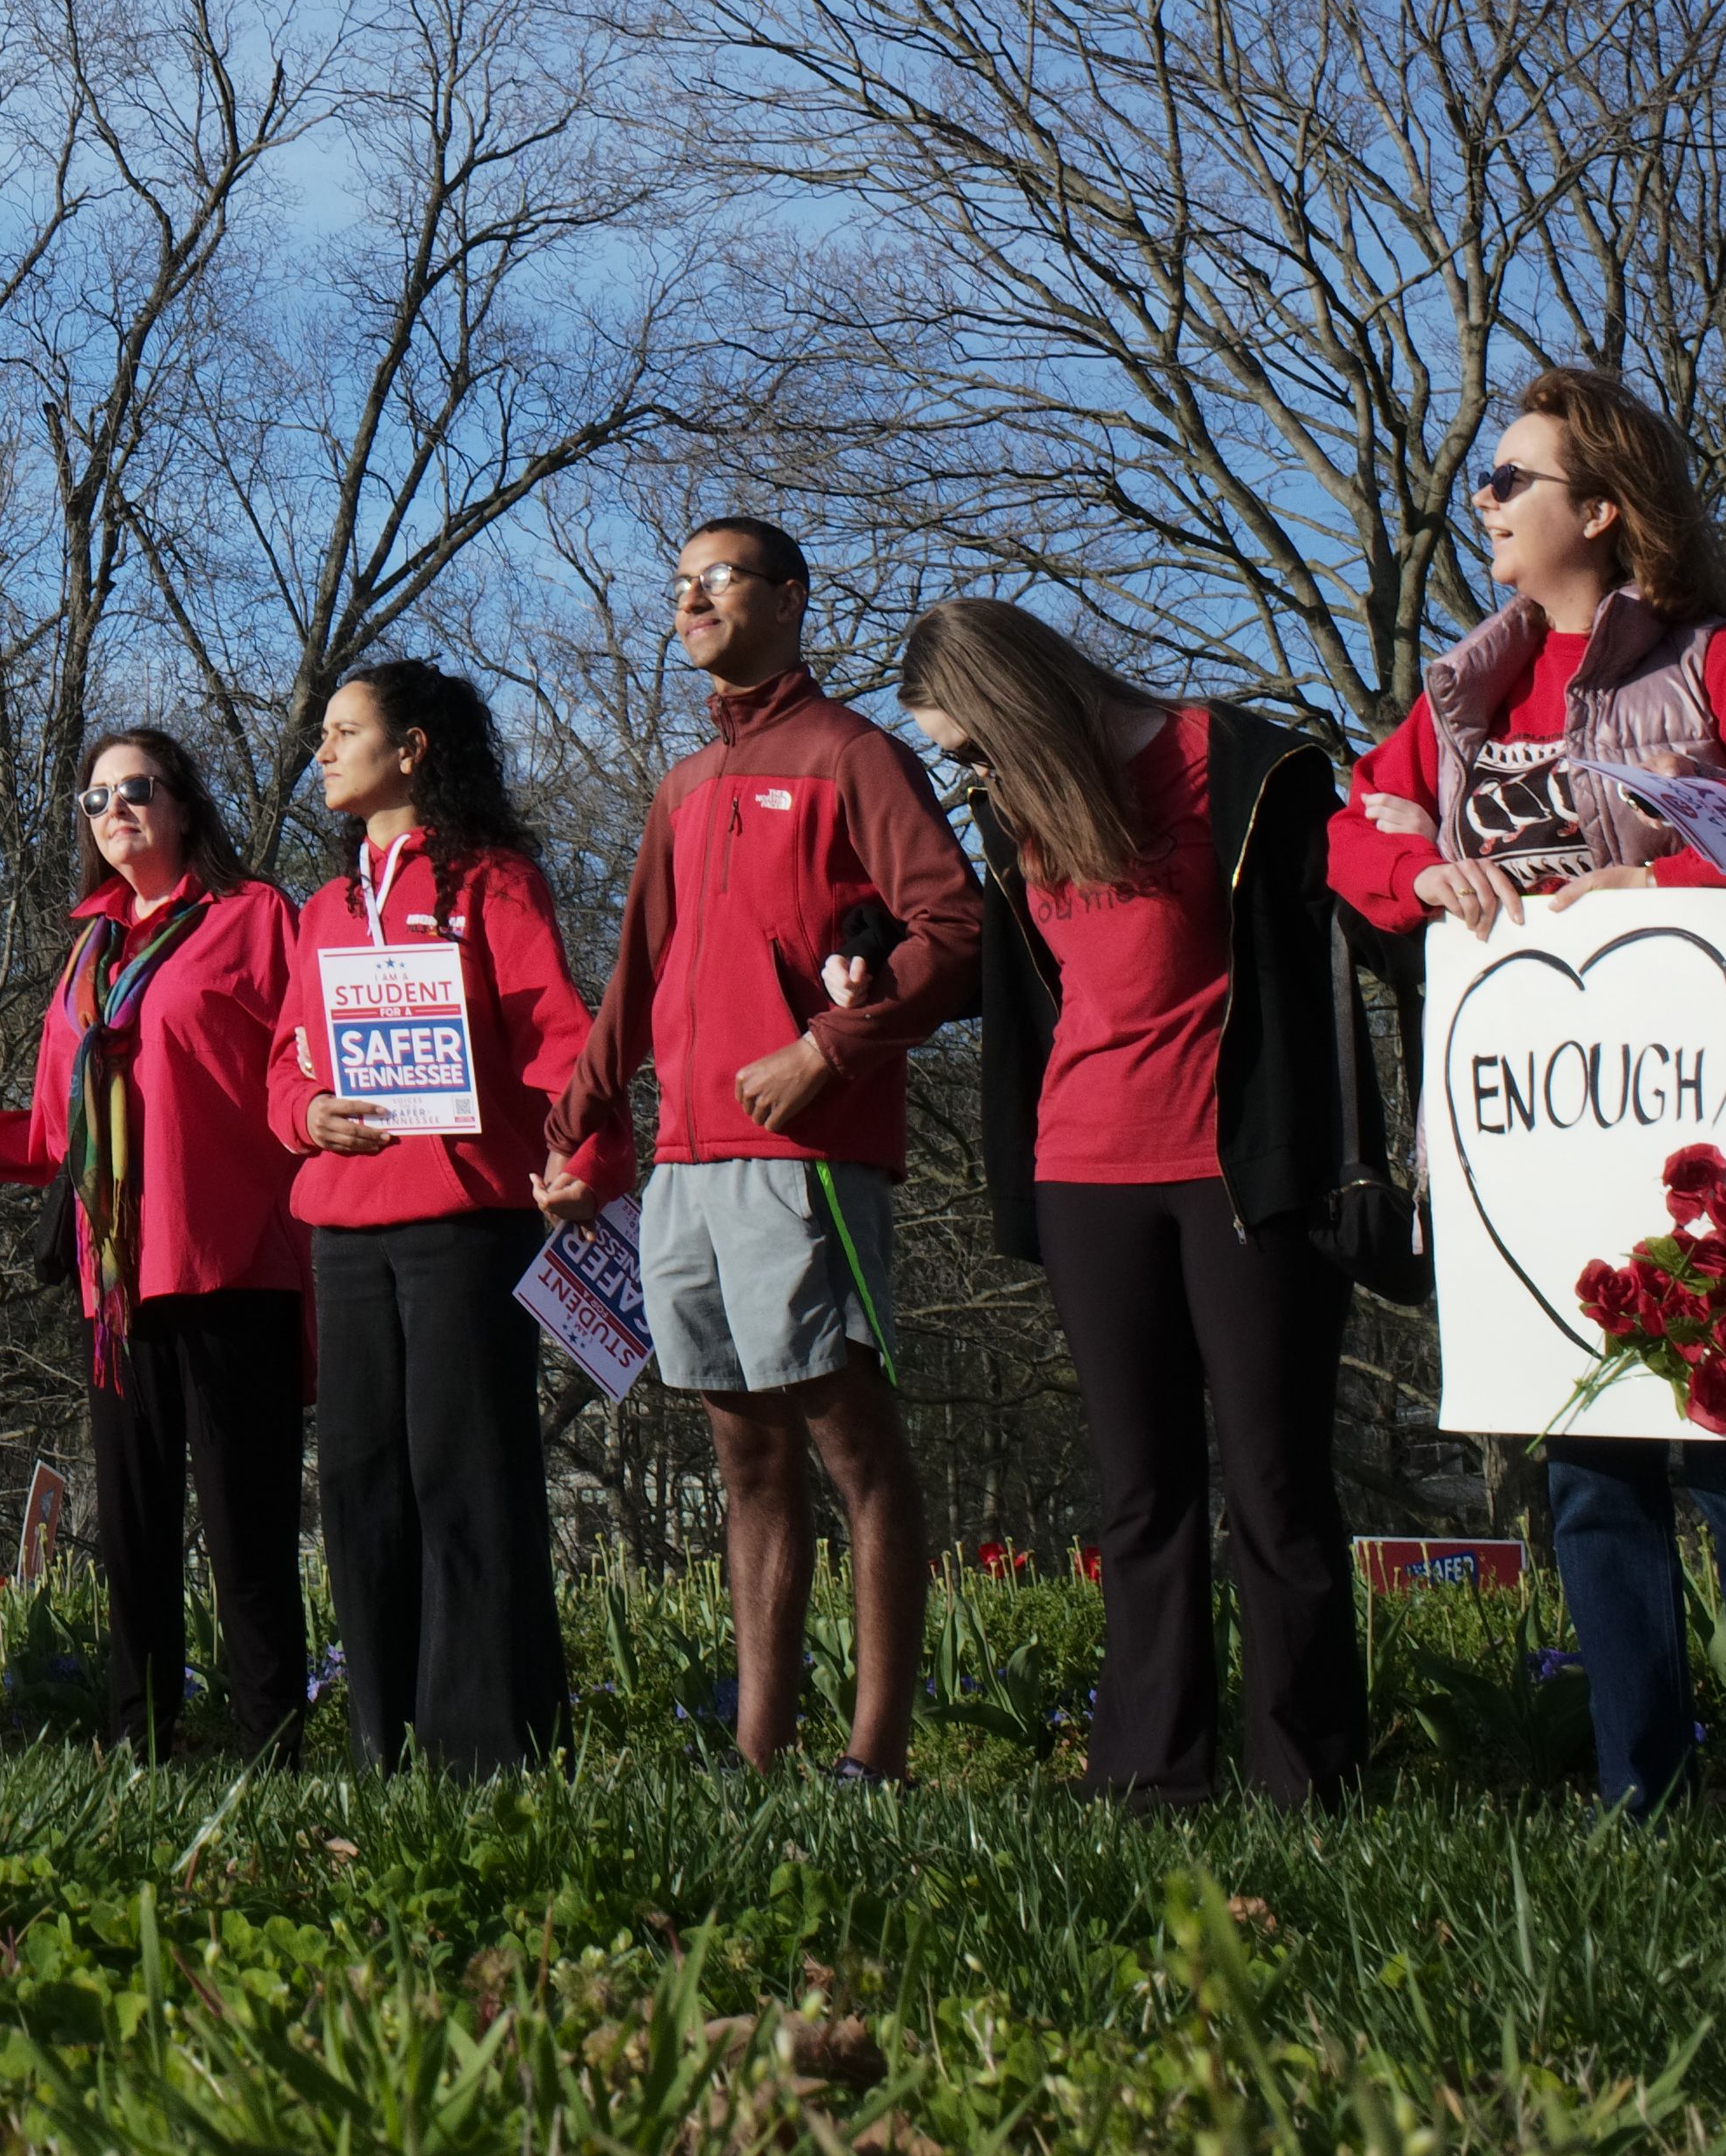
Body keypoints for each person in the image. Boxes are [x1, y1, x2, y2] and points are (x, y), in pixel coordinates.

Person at [1330, 364, 1726, 1839]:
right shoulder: (1461, 689)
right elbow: (1352, 832)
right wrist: (1419, 871)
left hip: (1699, 1131)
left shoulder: (1709, 666)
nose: (1486, 500)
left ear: (1602, 508)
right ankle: (1637, 1790)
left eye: (1514, 477)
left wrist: (1669, 875)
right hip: (1537, 1140)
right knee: (1586, 1471)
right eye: (1489, 478)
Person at [920, 593, 1399, 1812]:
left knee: (1277, 1484)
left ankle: (1308, 1781)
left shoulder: (1241, 764)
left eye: (968, 744)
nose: (967, 772)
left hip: (1245, 1174)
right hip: (1085, 1177)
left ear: (1010, 703)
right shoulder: (1012, 817)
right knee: (1140, 1495)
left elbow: (1361, 912)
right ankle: (1147, 1778)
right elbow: (1020, 983)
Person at [547, 516, 982, 1789]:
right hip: (684, 1161)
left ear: (788, 596)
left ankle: (878, 1759)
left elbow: (952, 930)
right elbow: (636, 973)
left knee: (856, 1449)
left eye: (716, 579)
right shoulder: (682, 786)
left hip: (805, 1153)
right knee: (743, 1456)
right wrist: (576, 1126)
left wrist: (829, 1048)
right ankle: (758, 1755)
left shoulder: (855, 756)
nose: (689, 600)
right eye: (676, 583)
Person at [0, 726, 311, 1757]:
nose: (114, 812)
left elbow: (301, 1068)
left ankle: (269, 1747)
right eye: (94, 797)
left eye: (135, 790)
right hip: (114, 1276)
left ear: (184, 804)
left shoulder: (253, 918)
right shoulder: (90, 948)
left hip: (230, 1260)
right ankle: (134, 1742)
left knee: (245, 1532)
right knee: (131, 1529)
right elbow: (53, 1136)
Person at [268, 656, 590, 1776]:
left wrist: (583, 1158)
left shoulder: (493, 885)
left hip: (464, 1221)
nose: (321, 748)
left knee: (468, 1475)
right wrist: (311, 1112)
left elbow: (558, 1042)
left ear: (410, 749)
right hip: (345, 1229)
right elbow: (281, 1071)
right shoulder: (320, 909)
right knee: (359, 1482)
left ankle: (489, 1749)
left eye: (341, 729)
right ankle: (381, 1739)